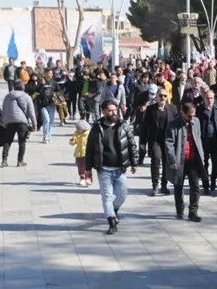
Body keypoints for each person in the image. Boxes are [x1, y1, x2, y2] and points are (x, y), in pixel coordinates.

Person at [85, 99, 139, 235]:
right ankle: (112, 221)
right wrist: (88, 168)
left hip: (120, 169)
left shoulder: (123, 125)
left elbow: (132, 144)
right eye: (110, 110)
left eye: (115, 110)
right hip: (104, 169)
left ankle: (114, 209)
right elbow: (90, 148)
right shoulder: (97, 128)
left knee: (122, 196)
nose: (113, 112)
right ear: (103, 111)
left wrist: (134, 162)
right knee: (107, 197)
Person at [166, 102, 206, 223]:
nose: (191, 118)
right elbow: (169, 143)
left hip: (193, 160)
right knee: (178, 185)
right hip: (180, 160)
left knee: (195, 186)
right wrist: (172, 160)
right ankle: (179, 209)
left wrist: (202, 156)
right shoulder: (173, 124)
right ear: (182, 113)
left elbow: (199, 138)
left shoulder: (196, 122)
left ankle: (193, 211)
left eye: (193, 115)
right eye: (189, 115)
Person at [141, 88, 177, 196]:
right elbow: (145, 126)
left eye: (165, 96)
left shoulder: (172, 109)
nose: (163, 98)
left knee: (166, 162)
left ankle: (164, 185)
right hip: (155, 140)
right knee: (156, 160)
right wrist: (142, 142)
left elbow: (176, 125)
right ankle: (155, 185)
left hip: (167, 140)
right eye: (160, 95)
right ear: (156, 96)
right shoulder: (150, 109)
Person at [0, 81, 37, 167]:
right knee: (22, 142)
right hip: (22, 122)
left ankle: (4, 160)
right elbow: (31, 112)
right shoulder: (27, 97)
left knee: (7, 141)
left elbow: (4, 110)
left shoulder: (8, 96)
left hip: (10, 122)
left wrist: (4, 122)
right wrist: (34, 124)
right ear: (23, 87)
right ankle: (20, 161)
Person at [197, 90, 217, 194]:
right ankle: (205, 184)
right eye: (207, 98)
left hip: (216, 140)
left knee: (216, 162)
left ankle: (213, 180)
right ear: (204, 99)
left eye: (211, 98)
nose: (209, 100)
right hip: (204, 139)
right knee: (204, 162)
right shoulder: (199, 110)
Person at [69, 120, 93, 186]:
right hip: (78, 154)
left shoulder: (89, 134)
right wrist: (72, 140)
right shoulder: (76, 134)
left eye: (79, 129)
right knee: (80, 167)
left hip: (87, 153)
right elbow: (72, 143)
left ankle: (88, 178)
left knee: (88, 167)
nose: (78, 130)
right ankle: (82, 178)